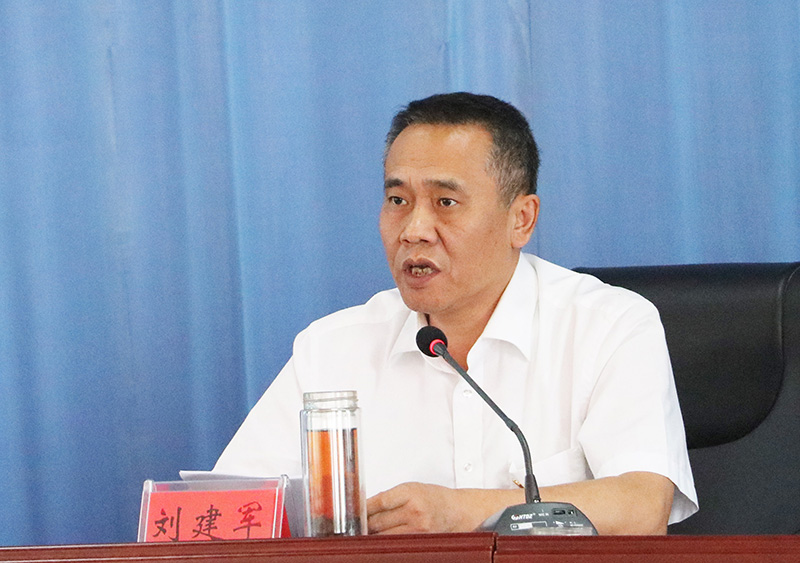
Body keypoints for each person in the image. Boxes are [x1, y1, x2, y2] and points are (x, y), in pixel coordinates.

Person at [213, 92, 698, 535]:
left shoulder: (608, 325)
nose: (414, 229)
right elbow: (230, 515)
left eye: (446, 202)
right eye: (398, 200)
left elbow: (642, 506)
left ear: (521, 219)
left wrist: (460, 513)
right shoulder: (331, 350)